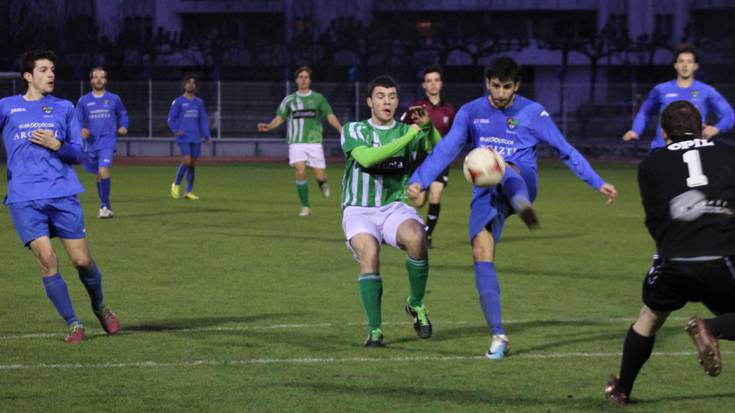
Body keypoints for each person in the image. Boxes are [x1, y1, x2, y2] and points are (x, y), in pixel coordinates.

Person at [407, 57, 618, 359]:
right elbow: (446, 148)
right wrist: (421, 179)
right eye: (496, 86)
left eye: (507, 87)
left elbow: (565, 150)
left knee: (502, 165)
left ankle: (520, 201)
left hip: (522, 179)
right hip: (486, 190)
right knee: (481, 251)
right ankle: (498, 335)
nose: (502, 93)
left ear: (517, 86)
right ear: (487, 83)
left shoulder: (533, 112)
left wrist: (597, 181)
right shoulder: (471, 112)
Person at [605, 101, 735, 405]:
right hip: (721, 256)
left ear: (664, 134)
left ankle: (622, 389)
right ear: (703, 129)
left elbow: (654, 219)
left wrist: (672, 248)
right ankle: (710, 328)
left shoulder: (650, 163)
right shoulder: (728, 152)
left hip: (673, 259)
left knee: (649, 318)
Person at [0, 50, 120, 343]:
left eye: (52, 69)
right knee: (46, 258)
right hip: (24, 196)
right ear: (28, 76)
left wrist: (57, 144)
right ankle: (73, 323)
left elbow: (78, 154)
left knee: (81, 261)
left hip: (62, 193)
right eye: (43, 70)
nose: (50, 74)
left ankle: (100, 306)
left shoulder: (65, 108)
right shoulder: (6, 107)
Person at [341, 75, 440, 347]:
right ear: (369, 101)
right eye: (381, 96)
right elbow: (367, 158)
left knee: (418, 237)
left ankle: (415, 304)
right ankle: (375, 331)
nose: (387, 101)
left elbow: (438, 149)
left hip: (393, 207)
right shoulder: (354, 129)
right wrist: (410, 134)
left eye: (392, 96)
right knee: (370, 253)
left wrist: (428, 127)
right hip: (359, 210)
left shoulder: (405, 129)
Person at [257, 67, 342, 216]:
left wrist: (341, 129)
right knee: (301, 171)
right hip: (296, 142)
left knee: (319, 175)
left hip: (314, 142)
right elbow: (280, 118)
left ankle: (323, 182)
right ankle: (305, 207)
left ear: (310, 80)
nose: (303, 80)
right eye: (301, 77)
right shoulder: (289, 100)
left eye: (306, 77)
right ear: (296, 80)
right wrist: (269, 126)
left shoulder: (318, 98)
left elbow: (329, 115)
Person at [622, 43, 734, 150]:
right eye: (681, 61)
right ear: (675, 65)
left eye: (689, 62)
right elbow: (644, 112)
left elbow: (729, 114)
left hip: (693, 148)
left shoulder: (707, 91)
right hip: (662, 148)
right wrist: (635, 131)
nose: (685, 65)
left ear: (695, 66)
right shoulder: (660, 89)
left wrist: (716, 129)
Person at [403, 65, 456, 248]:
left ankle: (428, 234)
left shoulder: (449, 110)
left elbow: (455, 135)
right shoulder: (417, 108)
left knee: (436, 193)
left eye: (436, 80)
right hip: (420, 159)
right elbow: (401, 129)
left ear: (441, 84)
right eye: (429, 81)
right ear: (424, 85)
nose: (432, 84)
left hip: (440, 159)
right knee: (417, 201)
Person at [75, 66, 129, 218]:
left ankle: (104, 206)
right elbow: (77, 119)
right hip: (91, 143)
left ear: (106, 80)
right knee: (99, 175)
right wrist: (81, 130)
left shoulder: (114, 99)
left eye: (102, 77)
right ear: (91, 80)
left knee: (104, 169)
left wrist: (124, 126)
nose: (99, 80)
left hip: (108, 140)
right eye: (95, 77)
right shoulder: (84, 100)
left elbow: (123, 113)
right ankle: (107, 205)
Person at [168, 74, 211, 200]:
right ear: (184, 85)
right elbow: (171, 119)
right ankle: (176, 184)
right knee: (187, 160)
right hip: (184, 137)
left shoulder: (199, 102)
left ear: (196, 86)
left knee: (192, 164)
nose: (191, 84)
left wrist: (207, 135)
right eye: (188, 82)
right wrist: (176, 130)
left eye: (193, 83)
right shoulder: (178, 102)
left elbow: (203, 120)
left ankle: (188, 192)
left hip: (196, 137)